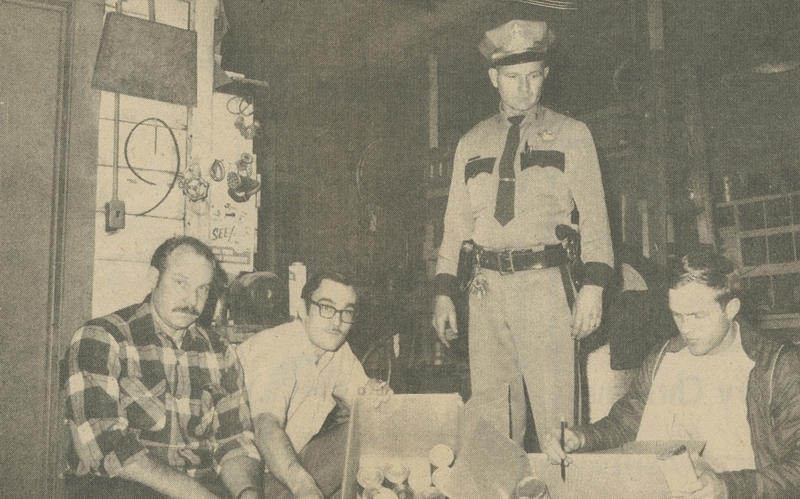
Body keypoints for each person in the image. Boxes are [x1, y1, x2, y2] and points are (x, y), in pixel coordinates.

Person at [432, 19, 614, 448]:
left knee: (558, 417)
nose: (524, 88)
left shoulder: (573, 134)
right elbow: (455, 225)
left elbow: (595, 218)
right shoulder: (471, 142)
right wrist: (443, 291)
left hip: (544, 286)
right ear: (493, 77)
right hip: (485, 290)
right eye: (512, 77)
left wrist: (595, 287)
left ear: (545, 74)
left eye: (533, 76)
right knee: (492, 416)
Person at [544, 252, 800, 499]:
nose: (686, 329)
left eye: (697, 316)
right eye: (677, 315)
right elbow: (624, 424)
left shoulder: (778, 366)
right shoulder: (664, 357)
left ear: (731, 308)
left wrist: (728, 487)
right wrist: (579, 437)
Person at [64, 236, 262, 499]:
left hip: (203, 488)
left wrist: (247, 492)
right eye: (181, 282)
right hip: (121, 489)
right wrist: (198, 495)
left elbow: (233, 442)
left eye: (202, 289)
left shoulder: (221, 352)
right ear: (152, 278)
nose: (192, 299)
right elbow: (102, 446)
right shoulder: (102, 338)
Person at [237, 271, 392, 499]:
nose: (337, 322)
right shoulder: (276, 348)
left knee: (368, 427)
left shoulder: (336, 349)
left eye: (347, 312)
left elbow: (368, 407)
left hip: (296, 459)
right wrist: (304, 487)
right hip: (253, 474)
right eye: (326, 308)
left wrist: (376, 396)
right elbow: (266, 426)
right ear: (302, 309)